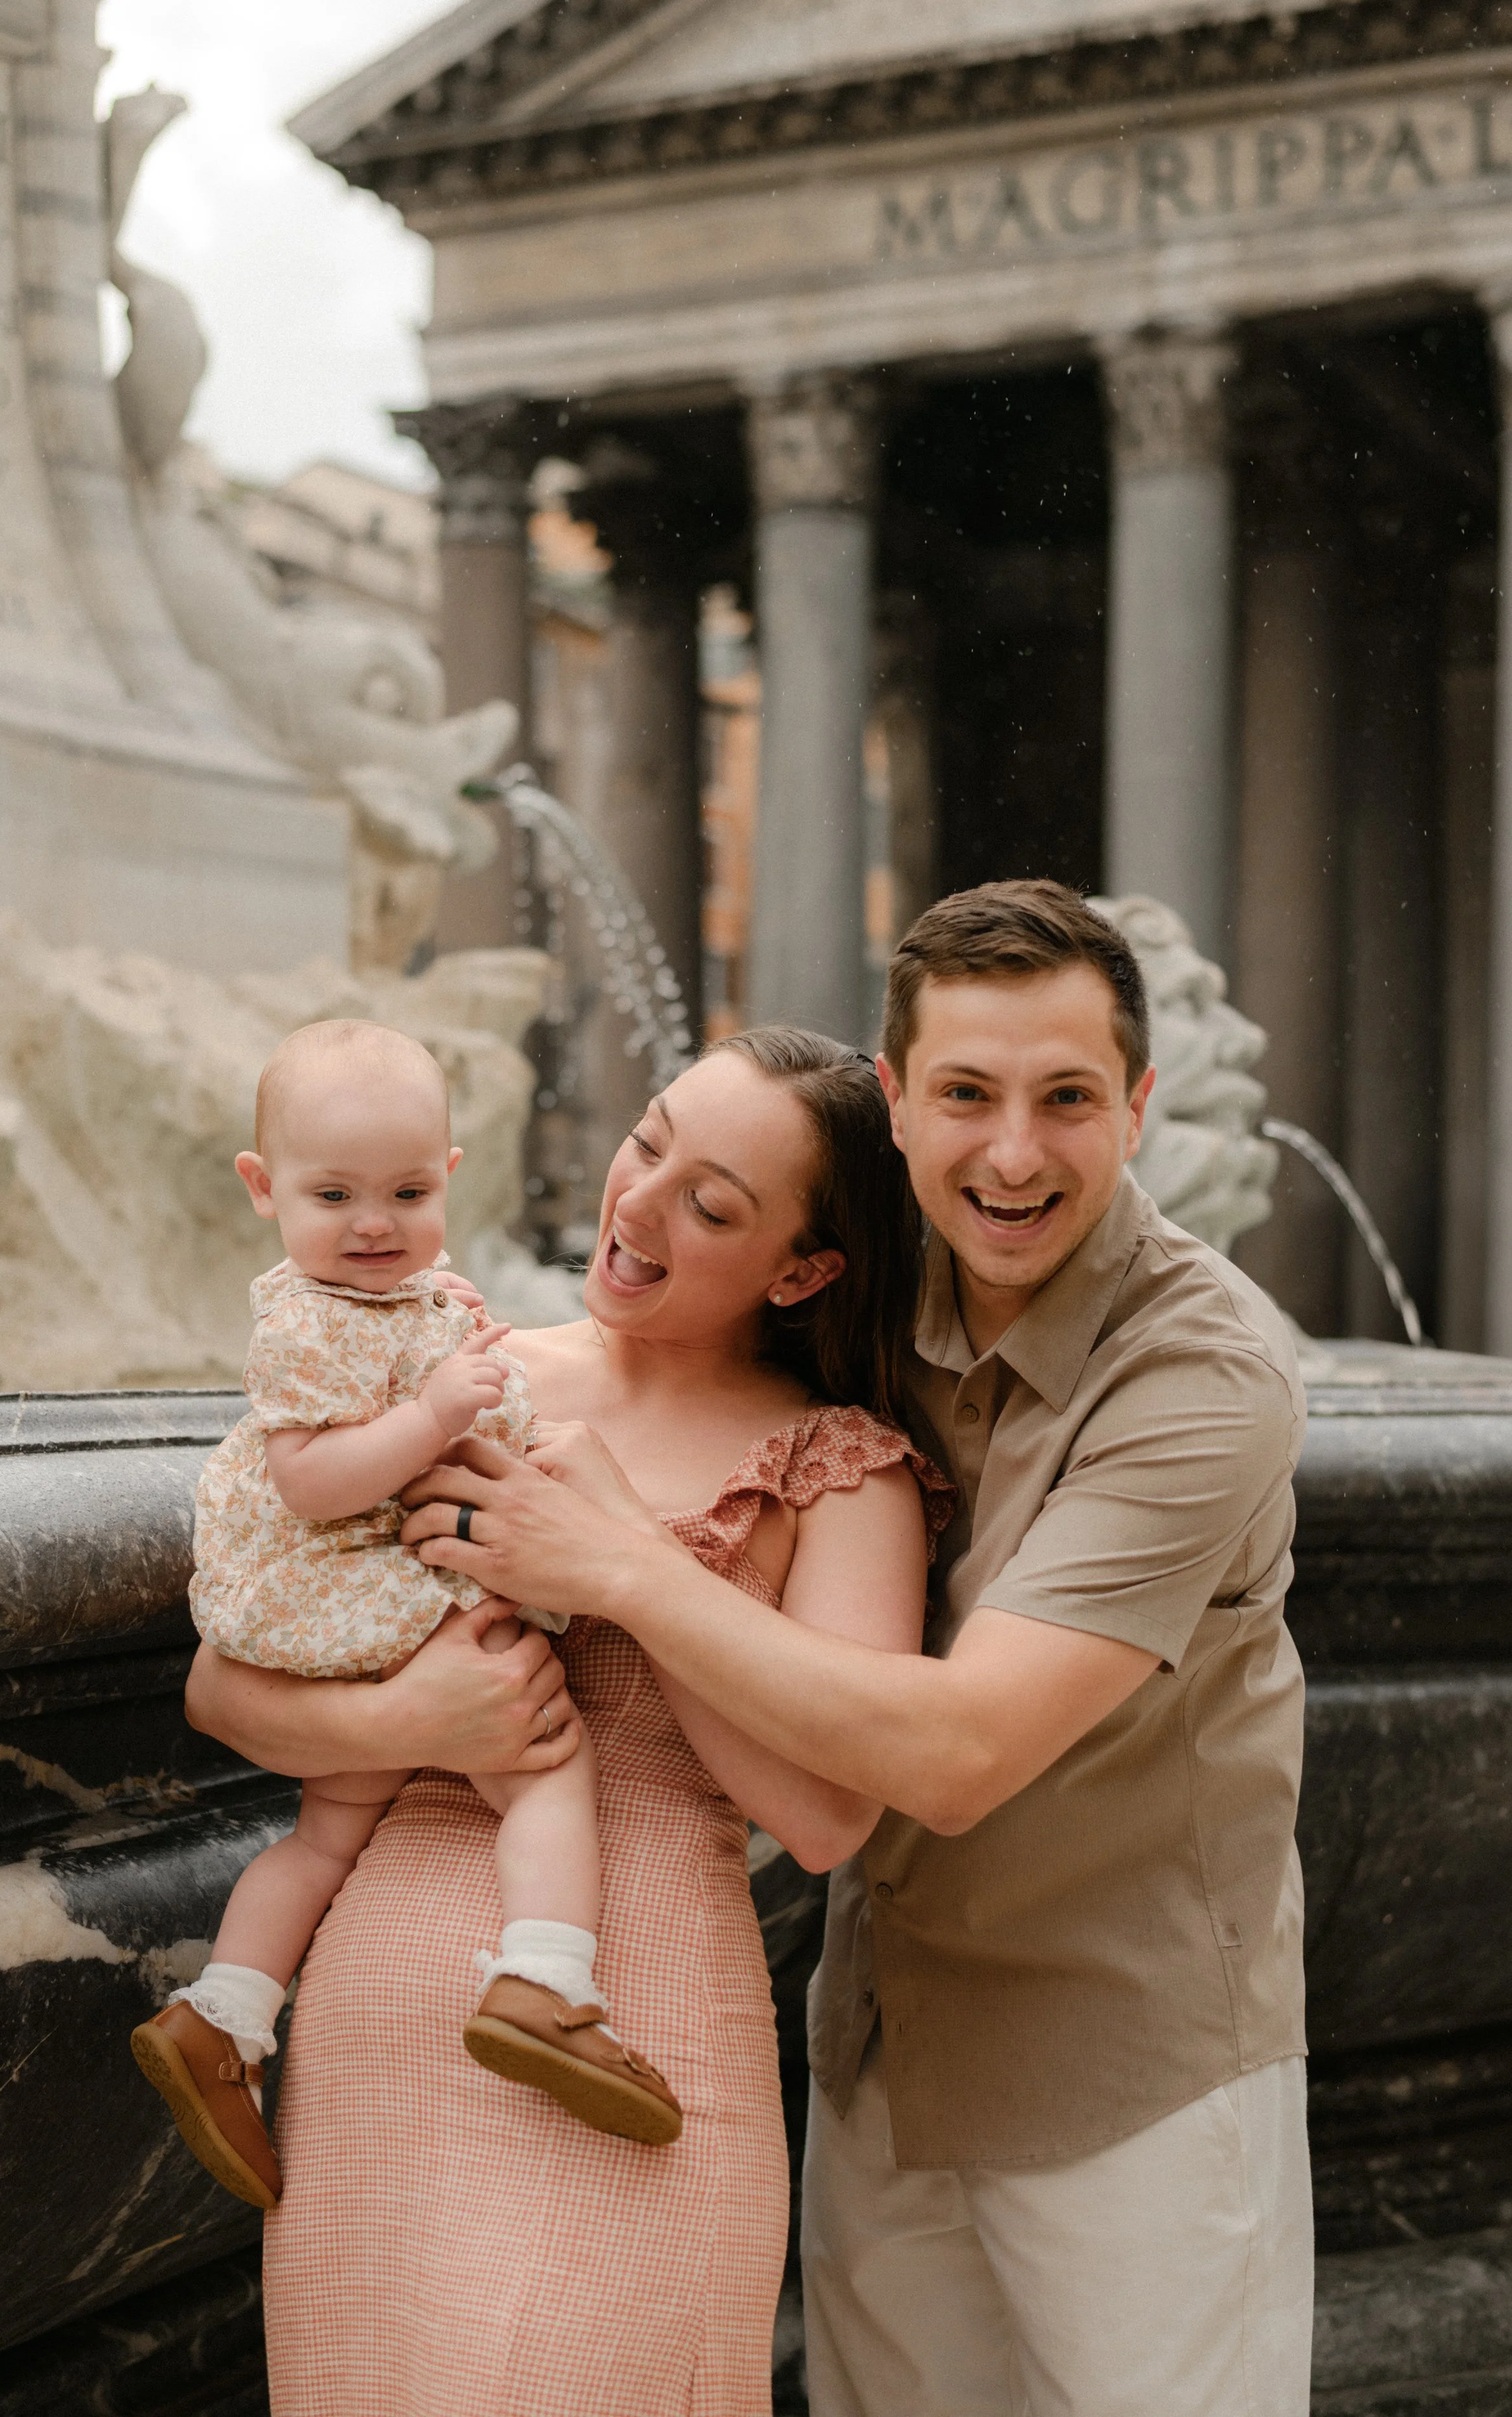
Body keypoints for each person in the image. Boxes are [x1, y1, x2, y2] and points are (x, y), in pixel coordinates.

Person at [405, 882, 1314, 2417]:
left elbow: (956, 1756)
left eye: (1065, 1099)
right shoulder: (865, 1285)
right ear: (894, 1103)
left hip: (1127, 2077)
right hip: (884, 2044)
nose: (1010, 1154)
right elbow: (673, 1333)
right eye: (963, 1095)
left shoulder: (1201, 1377)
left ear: (1138, 1106)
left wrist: (620, 1563)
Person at [185, 1026, 952, 2417]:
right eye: (646, 1143)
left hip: (634, 2015)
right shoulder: (451, 1370)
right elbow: (221, 1684)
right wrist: (414, 1718)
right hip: (377, 2024)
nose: (638, 1203)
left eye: (709, 1203)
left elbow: (827, 1816)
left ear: (801, 1270)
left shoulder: (842, 1471)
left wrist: (626, 1567)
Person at [135, 1018, 681, 2218]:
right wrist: (435, 1412)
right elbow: (311, 1482)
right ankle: (547, 1978)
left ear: (451, 1176)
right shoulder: (301, 1324)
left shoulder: (399, 1296)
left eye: (409, 1193)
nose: (375, 1225)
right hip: (360, 1586)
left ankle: (225, 2013)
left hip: (364, 1598)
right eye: (335, 1195)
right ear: (263, 1188)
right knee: (543, 1763)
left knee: (326, 1837)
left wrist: (447, 1343)